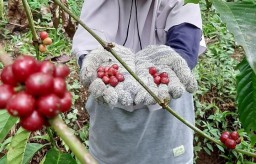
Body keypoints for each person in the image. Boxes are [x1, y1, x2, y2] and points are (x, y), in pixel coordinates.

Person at [72, 0, 206, 163]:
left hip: (167, 135)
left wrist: (178, 57)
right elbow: (89, 47)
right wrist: (93, 60)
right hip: (111, 137)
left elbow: (185, 39)